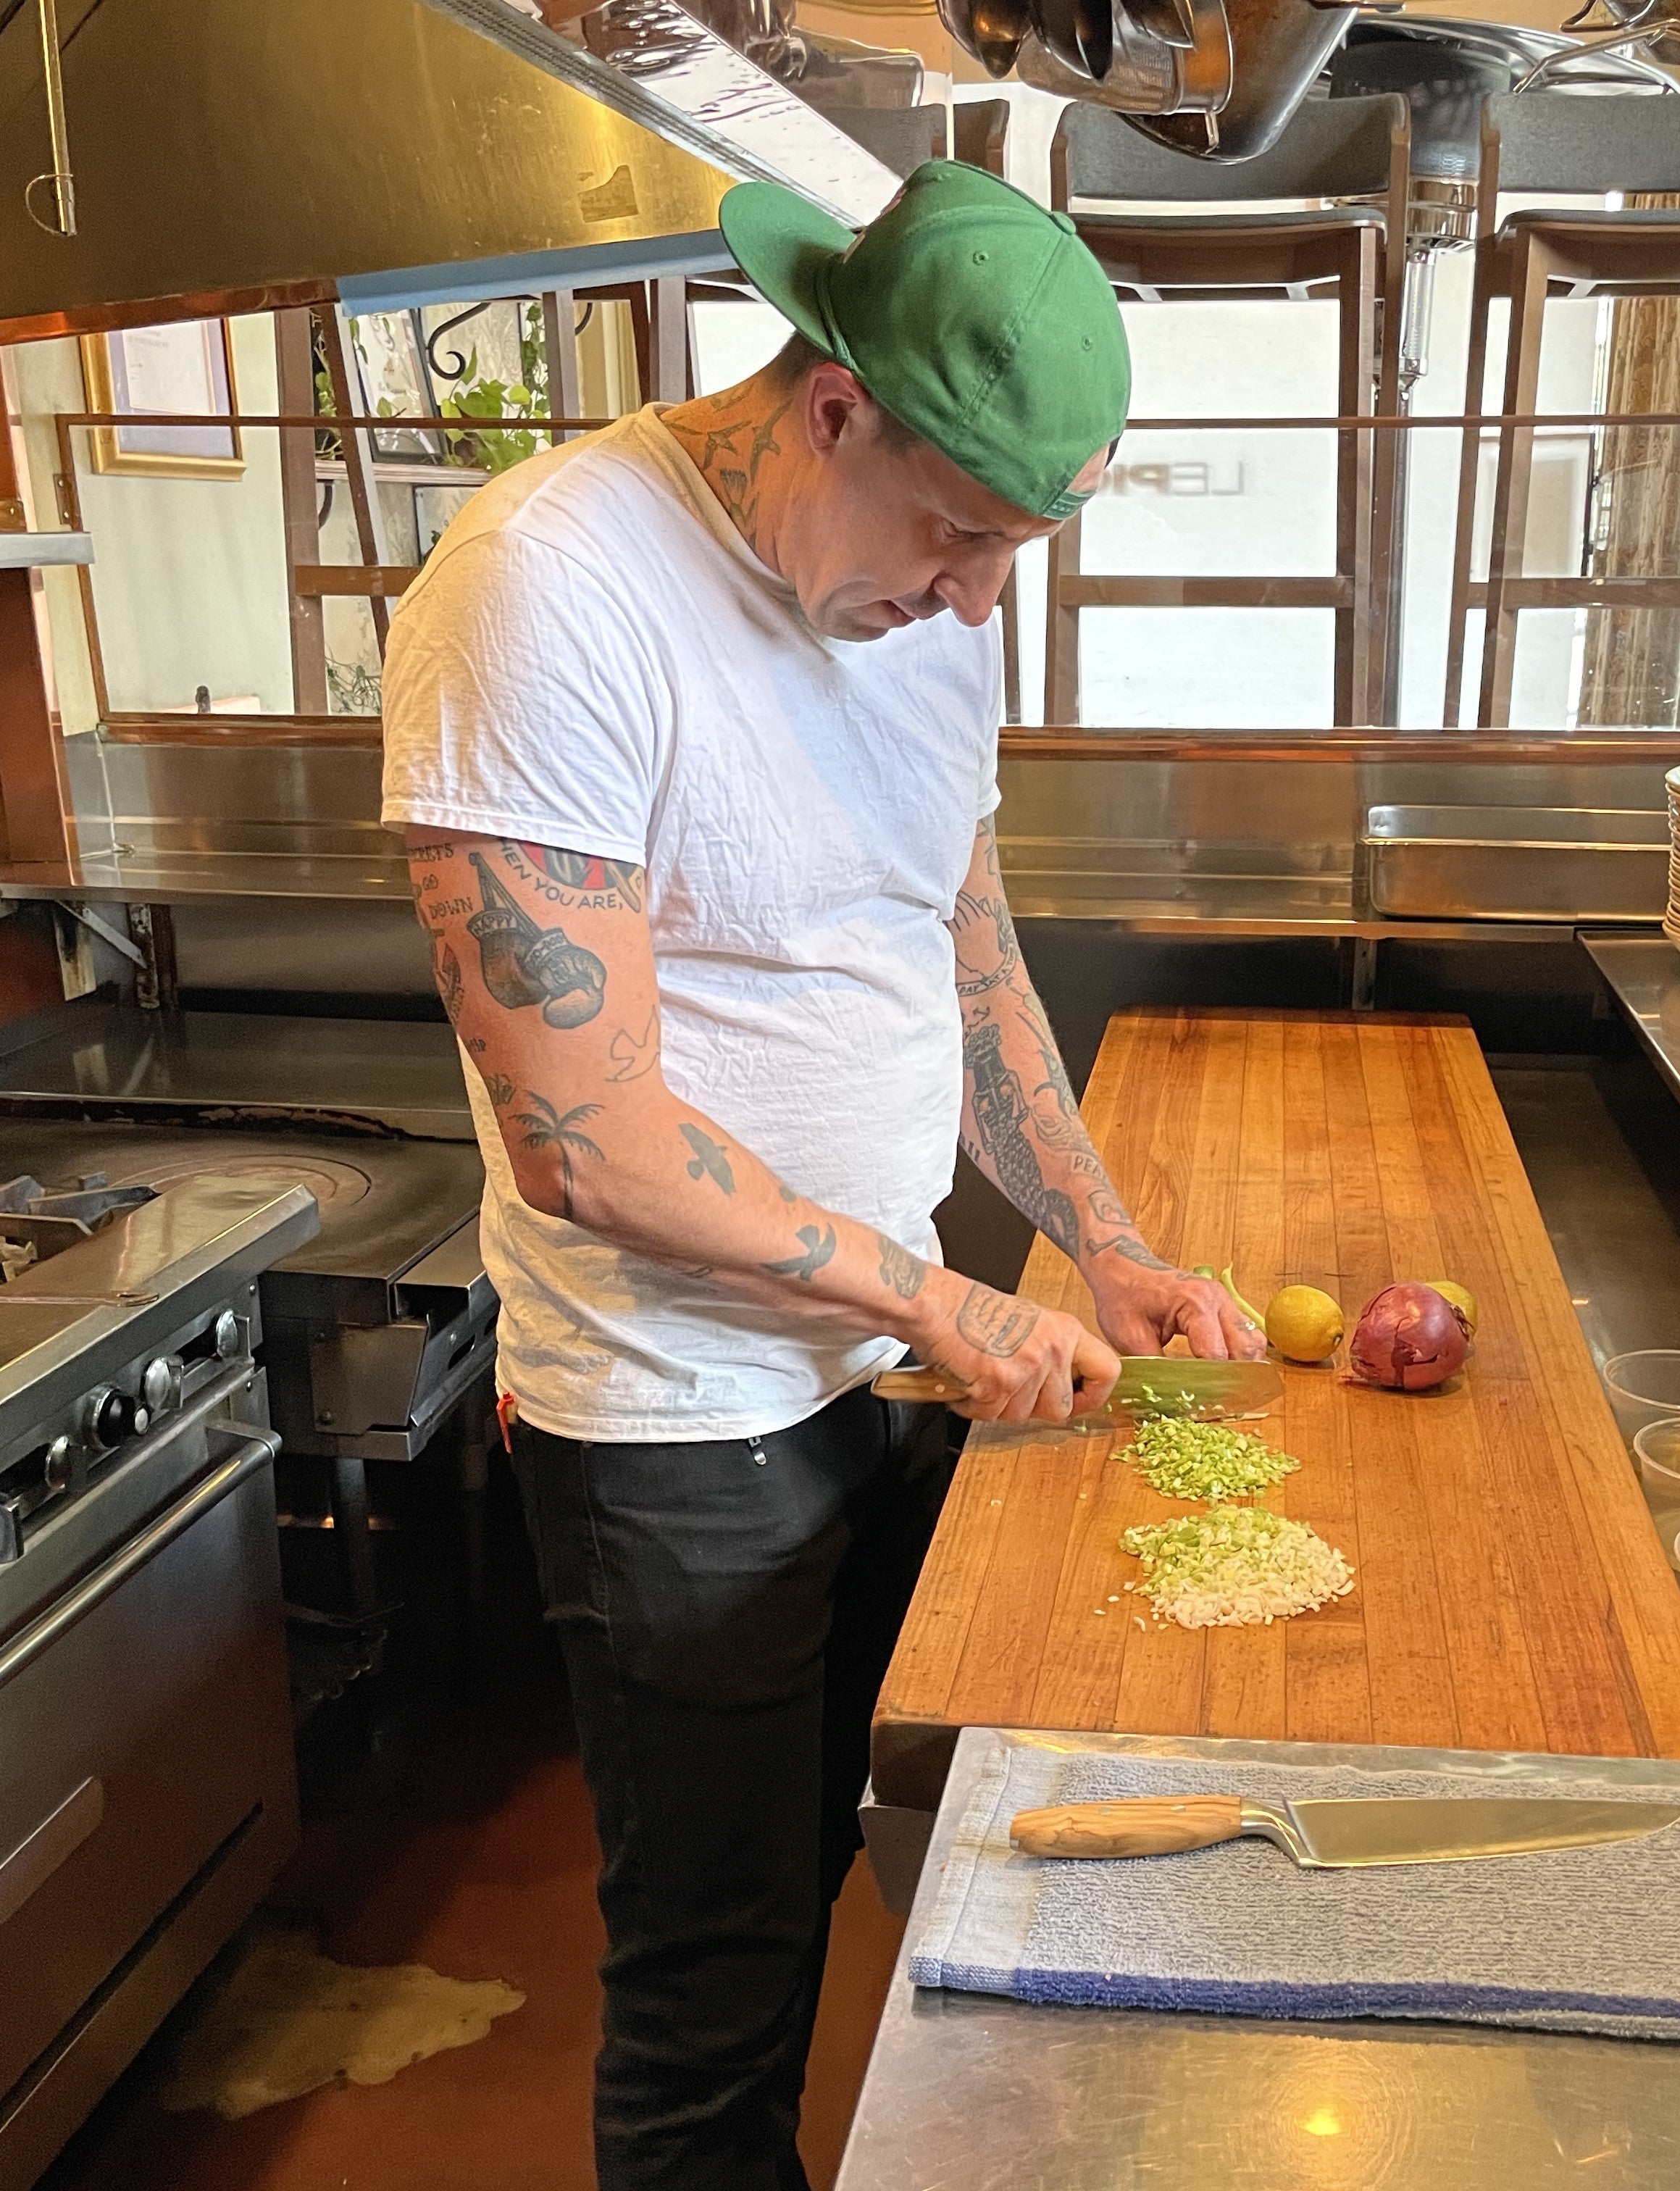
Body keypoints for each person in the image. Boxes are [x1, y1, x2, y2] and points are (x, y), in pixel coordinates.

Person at [379, 159, 1263, 2191]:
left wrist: (1096, 1238)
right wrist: (938, 1299)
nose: (971, 601)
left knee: (899, 1853)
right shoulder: (552, 589)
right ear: (831, 403)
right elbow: (583, 1140)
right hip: (679, 1420)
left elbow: (950, 938)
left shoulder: (928, 605)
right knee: (718, 1977)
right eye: (958, 535)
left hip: (872, 1366)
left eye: (1012, 557)